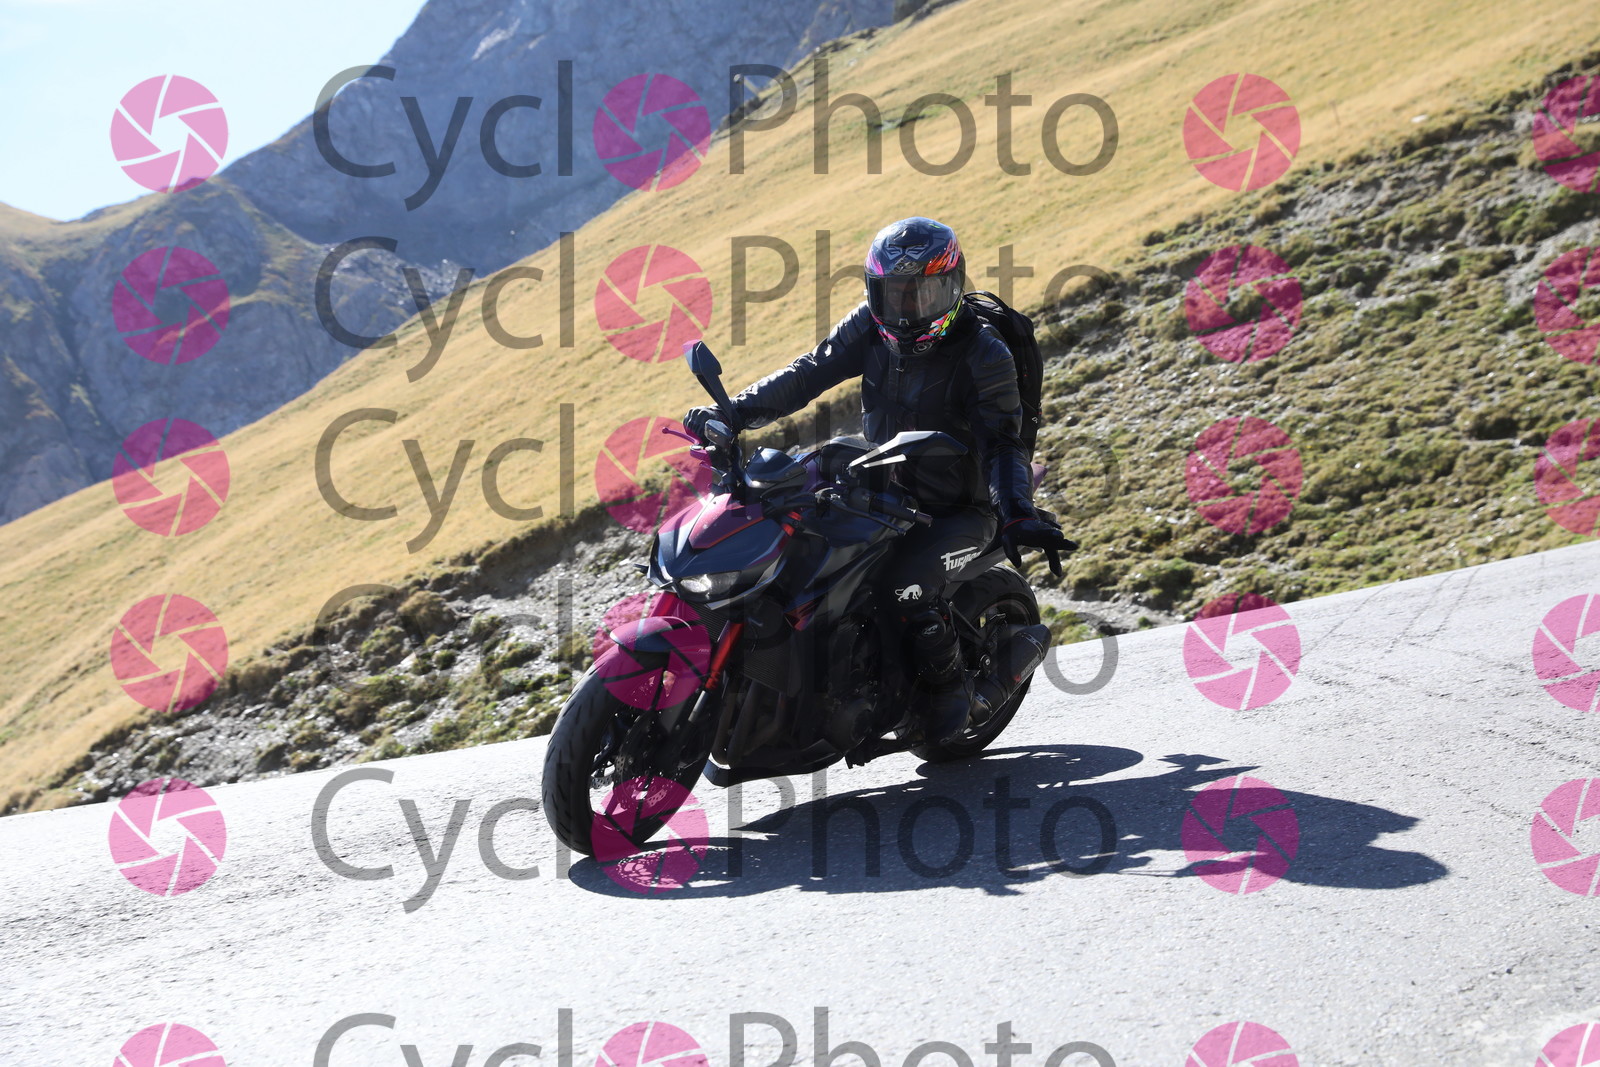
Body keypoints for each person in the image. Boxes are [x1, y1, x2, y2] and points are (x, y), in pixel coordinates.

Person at [684, 216, 1071, 743]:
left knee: (901, 587)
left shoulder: (984, 353)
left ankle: (956, 699)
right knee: (798, 549)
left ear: (953, 286)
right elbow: (808, 372)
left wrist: (1016, 512)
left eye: (923, 293)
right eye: (894, 294)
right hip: (883, 483)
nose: (907, 309)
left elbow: (1003, 444)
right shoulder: (869, 324)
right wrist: (732, 412)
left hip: (960, 505)